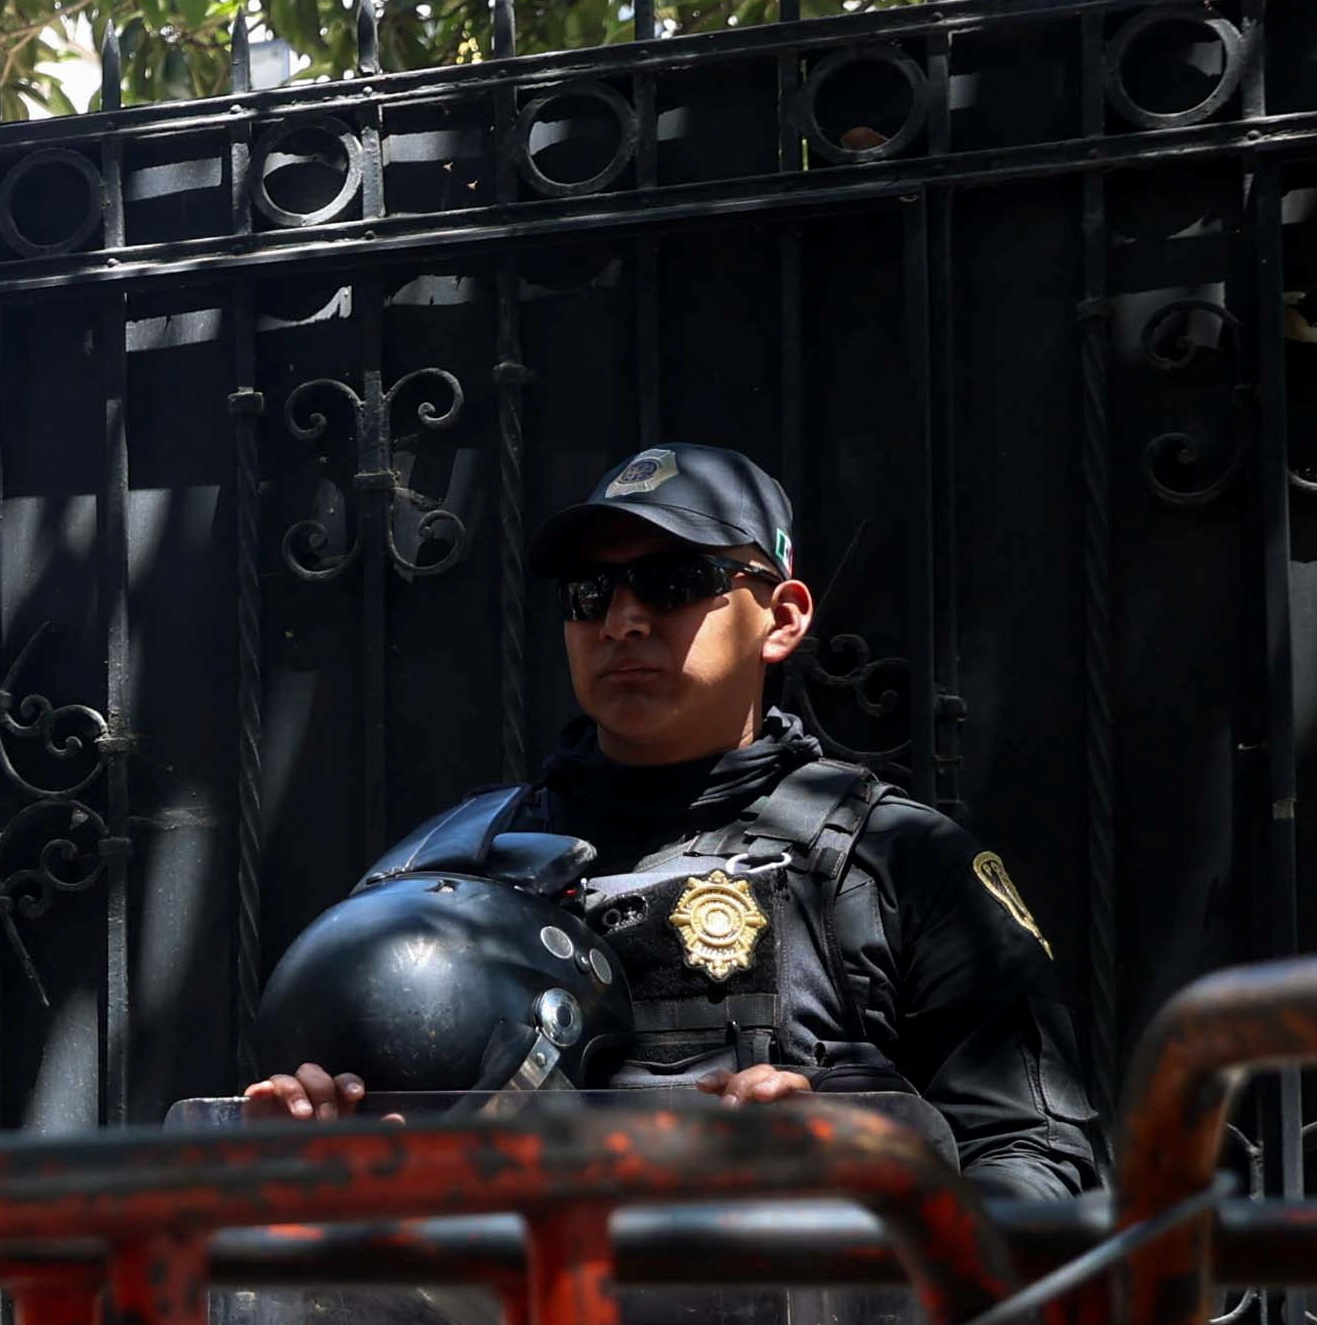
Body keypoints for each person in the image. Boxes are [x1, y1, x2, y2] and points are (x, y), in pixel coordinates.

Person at [244, 441, 1105, 1197]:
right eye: (592, 591)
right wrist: (314, 1146)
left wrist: (875, 1172)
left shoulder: (899, 862)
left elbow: (1041, 1167)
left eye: (674, 581)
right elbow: (356, 1204)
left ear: (784, 616)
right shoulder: (449, 873)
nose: (623, 619)